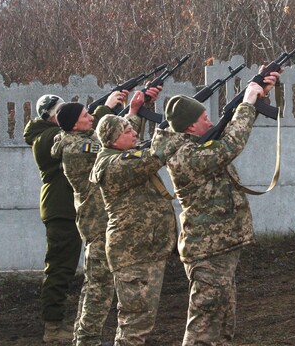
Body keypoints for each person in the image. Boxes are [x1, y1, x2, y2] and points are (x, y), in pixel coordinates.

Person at [156, 70, 279, 346]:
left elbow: (228, 133)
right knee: (203, 329)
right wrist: (247, 102)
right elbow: (231, 144)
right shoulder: (186, 156)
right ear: (190, 128)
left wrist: (259, 93)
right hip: (207, 252)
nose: (210, 122)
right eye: (204, 119)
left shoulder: (195, 147)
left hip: (220, 248)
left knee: (223, 326)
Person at [89, 87, 184, 346]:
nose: (134, 132)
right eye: (127, 132)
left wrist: (133, 111)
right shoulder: (115, 165)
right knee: (135, 322)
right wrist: (180, 122)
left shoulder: (115, 153)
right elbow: (155, 156)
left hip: (144, 249)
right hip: (134, 254)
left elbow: (123, 132)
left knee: (141, 319)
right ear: (112, 141)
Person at [51, 89, 132, 346]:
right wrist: (129, 115)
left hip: (98, 221)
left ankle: (84, 339)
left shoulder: (76, 140)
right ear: (75, 124)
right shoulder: (78, 147)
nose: (92, 117)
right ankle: (87, 341)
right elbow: (113, 144)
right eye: (87, 115)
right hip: (97, 224)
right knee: (99, 288)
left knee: (96, 286)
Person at [23, 94, 83, 343]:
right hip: (61, 210)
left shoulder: (52, 133)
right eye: (60, 111)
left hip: (68, 209)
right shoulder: (44, 137)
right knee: (59, 269)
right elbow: (72, 137)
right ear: (49, 116)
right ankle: (53, 328)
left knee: (67, 269)